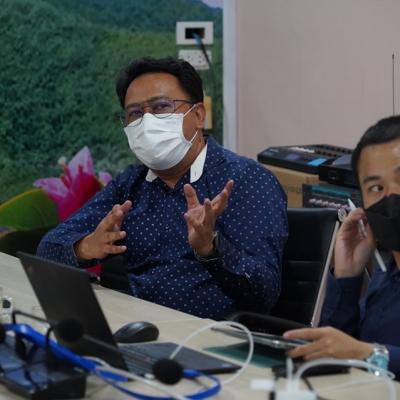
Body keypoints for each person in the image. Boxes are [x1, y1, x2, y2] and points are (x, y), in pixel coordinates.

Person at [37, 57, 288, 320]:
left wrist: (211, 249)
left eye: (161, 107)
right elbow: (48, 248)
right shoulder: (131, 184)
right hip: (135, 328)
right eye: (135, 113)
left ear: (198, 116)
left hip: (214, 337)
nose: (147, 121)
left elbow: (264, 293)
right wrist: (85, 247)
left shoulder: (246, 180)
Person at [284, 116, 400, 377]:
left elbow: (359, 353)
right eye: (376, 187)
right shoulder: (385, 277)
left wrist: (371, 354)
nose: (391, 196)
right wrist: (347, 277)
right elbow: (336, 353)